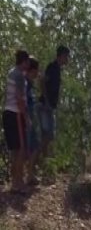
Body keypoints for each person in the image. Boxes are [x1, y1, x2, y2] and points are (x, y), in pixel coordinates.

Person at [2, 50, 30, 194]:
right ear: (24, 61)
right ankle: (18, 183)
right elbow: (19, 98)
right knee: (21, 150)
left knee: (14, 150)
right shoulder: (19, 75)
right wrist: (26, 117)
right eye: (28, 62)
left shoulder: (11, 72)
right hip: (16, 114)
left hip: (7, 112)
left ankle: (14, 183)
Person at [38, 45, 70, 160]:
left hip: (50, 106)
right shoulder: (52, 67)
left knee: (47, 136)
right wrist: (46, 100)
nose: (67, 59)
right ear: (61, 56)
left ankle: (42, 163)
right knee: (48, 135)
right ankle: (34, 159)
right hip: (45, 106)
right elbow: (42, 81)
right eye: (66, 56)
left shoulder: (58, 69)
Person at [25, 57, 41, 185]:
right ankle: (26, 175)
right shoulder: (24, 84)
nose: (37, 73)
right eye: (36, 70)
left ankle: (30, 173)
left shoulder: (30, 84)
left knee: (34, 146)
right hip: (26, 120)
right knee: (29, 147)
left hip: (30, 119)